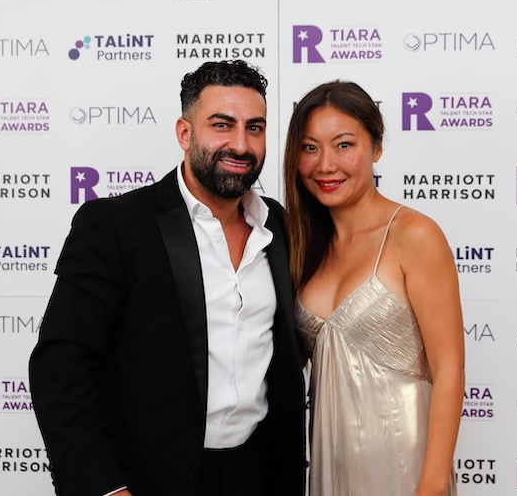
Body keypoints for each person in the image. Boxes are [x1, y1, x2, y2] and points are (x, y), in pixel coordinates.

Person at [29, 60, 306, 496]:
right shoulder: (115, 225)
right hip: (147, 482)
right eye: (222, 124)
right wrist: (105, 488)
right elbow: (60, 368)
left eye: (254, 128)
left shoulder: (280, 227)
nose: (241, 144)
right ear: (184, 133)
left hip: (256, 475)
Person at [284, 81, 464, 495]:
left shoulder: (414, 235)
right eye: (309, 147)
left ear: (377, 147)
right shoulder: (302, 246)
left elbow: (449, 369)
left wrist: (432, 486)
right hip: (330, 469)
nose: (325, 164)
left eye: (344, 145)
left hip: (405, 469)